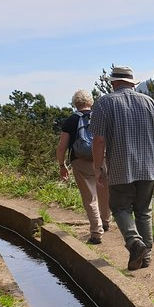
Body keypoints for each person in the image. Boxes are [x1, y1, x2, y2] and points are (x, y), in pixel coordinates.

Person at [90, 66, 154, 271]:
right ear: (132, 83)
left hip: (119, 167)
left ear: (113, 83)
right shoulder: (149, 102)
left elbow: (99, 140)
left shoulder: (104, 103)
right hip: (147, 167)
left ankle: (135, 243)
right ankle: (146, 257)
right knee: (144, 211)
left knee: (119, 207)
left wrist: (98, 167)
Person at [55, 89, 111, 244]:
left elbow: (61, 147)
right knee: (104, 193)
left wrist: (62, 164)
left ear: (75, 103)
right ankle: (106, 222)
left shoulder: (71, 120)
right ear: (90, 102)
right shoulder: (101, 117)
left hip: (80, 161)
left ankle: (96, 232)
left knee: (89, 197)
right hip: (103, 159)